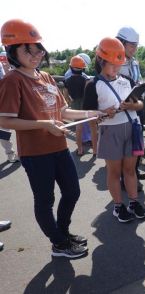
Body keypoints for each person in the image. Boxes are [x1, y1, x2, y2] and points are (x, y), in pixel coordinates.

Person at [0, 19, 103, 258]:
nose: (35, 55)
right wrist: (43, 125)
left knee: (72, 192)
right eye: (28, 50)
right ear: (12, 51)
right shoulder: (12, 81)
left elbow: (63, 112)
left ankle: (63, 233)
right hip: (35, 153)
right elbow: (4, 120)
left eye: (38, 49)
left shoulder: (46, 77)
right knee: (45, 200)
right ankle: (58, 243)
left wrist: (91, 113)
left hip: (58, 148)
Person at [83, 37, 145, 223]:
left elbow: (140, 104)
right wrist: (104, 113)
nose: (116, 69)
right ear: (101, 61)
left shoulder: (126, 80)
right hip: (110, 131)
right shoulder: (93, 84)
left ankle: (134, 202)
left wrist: (132, 106)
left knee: (130, 169)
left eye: (119, 64)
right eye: (113, 64)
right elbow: (89, 115)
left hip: (132, 128)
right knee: (114, 172)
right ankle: (118, 206)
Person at [116, 26, 145, 184]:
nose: (135, 49)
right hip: (122, 110)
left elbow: (138, 78)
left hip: (136, 105)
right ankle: (125, 177)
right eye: (132, 45)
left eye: (136, 45)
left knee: (137, 142)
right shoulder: (114, 63)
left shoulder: (134, 62)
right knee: (126, 145)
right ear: (121, 43)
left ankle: (134, 170)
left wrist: (141, 84)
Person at [64, 55, 91, 156]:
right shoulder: (86, 79)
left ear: (71, 67)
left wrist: (69, 102)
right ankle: (95, 150)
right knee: (91, 125)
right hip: (85, 104)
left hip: (75, 103)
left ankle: (79, 149)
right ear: (82, 68)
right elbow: (87, 93)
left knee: (78, 127)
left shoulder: (67, 80)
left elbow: (65, 95)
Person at [0, 52, 19, 163]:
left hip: (14, 102)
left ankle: (18, 153)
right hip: (3, 104)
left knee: (20, 128)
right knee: (4, 130)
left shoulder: (16, 69)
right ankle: (11, 154)